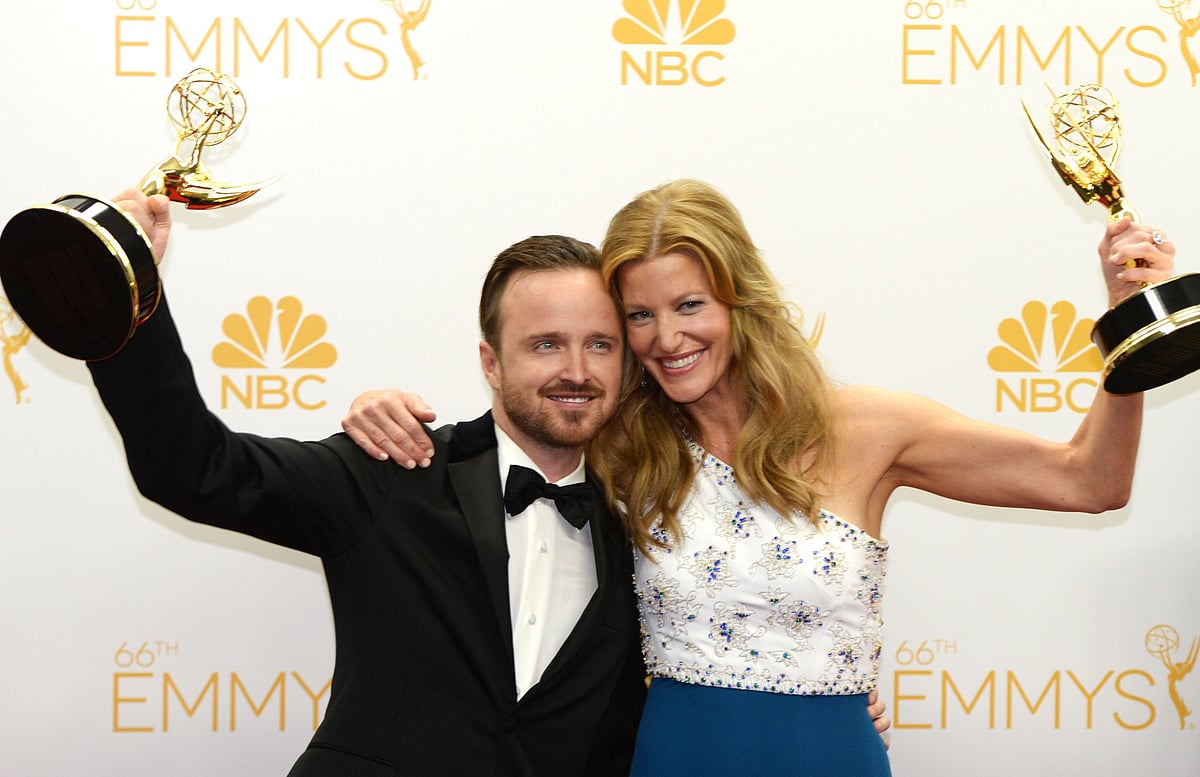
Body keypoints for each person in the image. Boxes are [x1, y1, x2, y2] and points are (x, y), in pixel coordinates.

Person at [341, 178, 1176, 776]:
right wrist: (377, 408)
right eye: (638, 315)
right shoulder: (627, 445)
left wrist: (1130, 322)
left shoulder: (867, 427)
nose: (666, 337)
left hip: (832, 755)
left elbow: (1088, 482)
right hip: (673, 755)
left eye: (690, 305)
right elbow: (510, 439)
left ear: (740, 299)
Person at [87, 189, 648, 776]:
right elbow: (194, 470)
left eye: (600, 345)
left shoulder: (644, 529)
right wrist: (126, 289)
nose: (577, 371)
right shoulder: (395, 467)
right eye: (546, 344)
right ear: (491, 362)